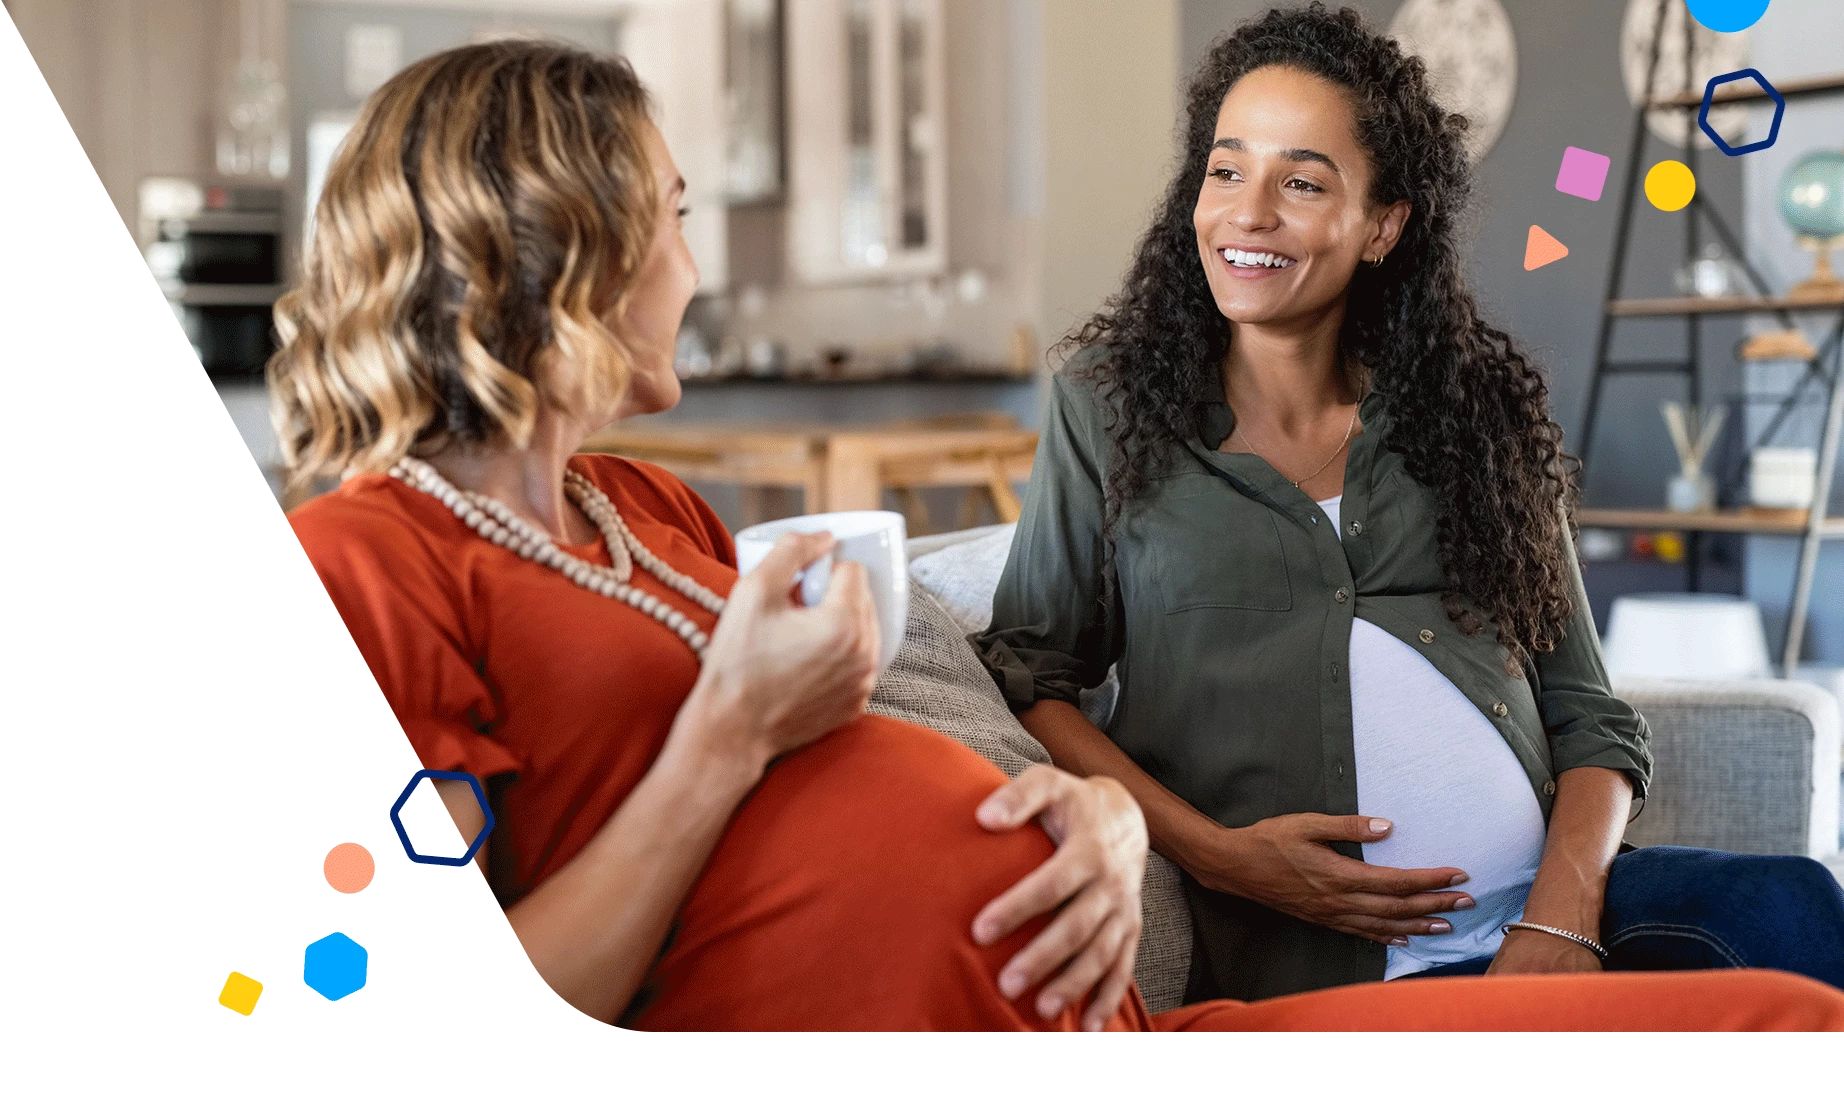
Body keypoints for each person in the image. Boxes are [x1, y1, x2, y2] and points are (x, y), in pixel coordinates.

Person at [279, 36, 1842, 1031]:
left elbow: (906, 746)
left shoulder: (643, 509)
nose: (698, 261)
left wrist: (1098, 825)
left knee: (1795, 935)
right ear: (565, 253)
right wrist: (1197, 843)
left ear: (1386, 227)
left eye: (1307, 181)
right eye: (675, 215)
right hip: (1234, 975)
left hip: (1189, 979)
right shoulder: (373, 560)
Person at [975, 3, 1844, 1005]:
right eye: (1224, 169)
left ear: (1381, 226)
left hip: (1563, 925)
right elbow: (1031, 675)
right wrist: (1218, 854)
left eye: (1300, 181)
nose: (1246, 210)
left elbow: (1589, 715)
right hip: (1329, 970)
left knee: (1791, 906)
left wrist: (1558, 918)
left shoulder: (1467, 411)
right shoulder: (1107, 408)